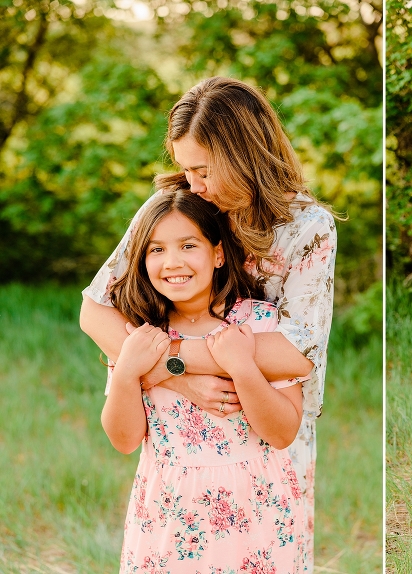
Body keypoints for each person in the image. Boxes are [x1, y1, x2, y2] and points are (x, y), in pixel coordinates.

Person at [80, 77, 336, 570]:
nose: (193, 184)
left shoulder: (307, 227)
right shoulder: (176, 209)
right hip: (177, 446)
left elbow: (296, 351)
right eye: (185, 170)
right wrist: (168, 372)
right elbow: (96, 308)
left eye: (202, 170)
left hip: (265, 426)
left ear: (242, 155)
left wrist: (167, 360)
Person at [103, 190, 309, 570]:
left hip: (256, 511)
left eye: (187, 245)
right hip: (169, 514)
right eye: (156, 250)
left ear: (217, 254)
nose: (172, 261)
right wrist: (128, 370)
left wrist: (243, 367)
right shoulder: (141, 334)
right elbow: (124, 439)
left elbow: (282, 433)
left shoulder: (259, 324)